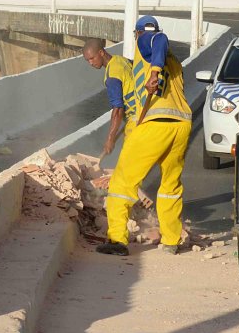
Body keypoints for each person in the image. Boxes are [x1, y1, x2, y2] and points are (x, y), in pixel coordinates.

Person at [98, 16, 192, 257]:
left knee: (122, 182)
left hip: (155, 126)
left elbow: (157, 37)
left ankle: (117, 240)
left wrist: (154, 72)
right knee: (170, 185)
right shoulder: (174, 60)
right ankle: (171, 240)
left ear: (135, 34)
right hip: (181, 125)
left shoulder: (146, 41)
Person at [81, 37, 138, 158]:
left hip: (136, 121)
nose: (90, 63)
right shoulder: (120, 60)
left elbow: (118, 109)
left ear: (101, 52)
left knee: (128, 163)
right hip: (144, 114)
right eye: (87, 60)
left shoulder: (112, 76)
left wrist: (110, 139)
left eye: (92, 58)